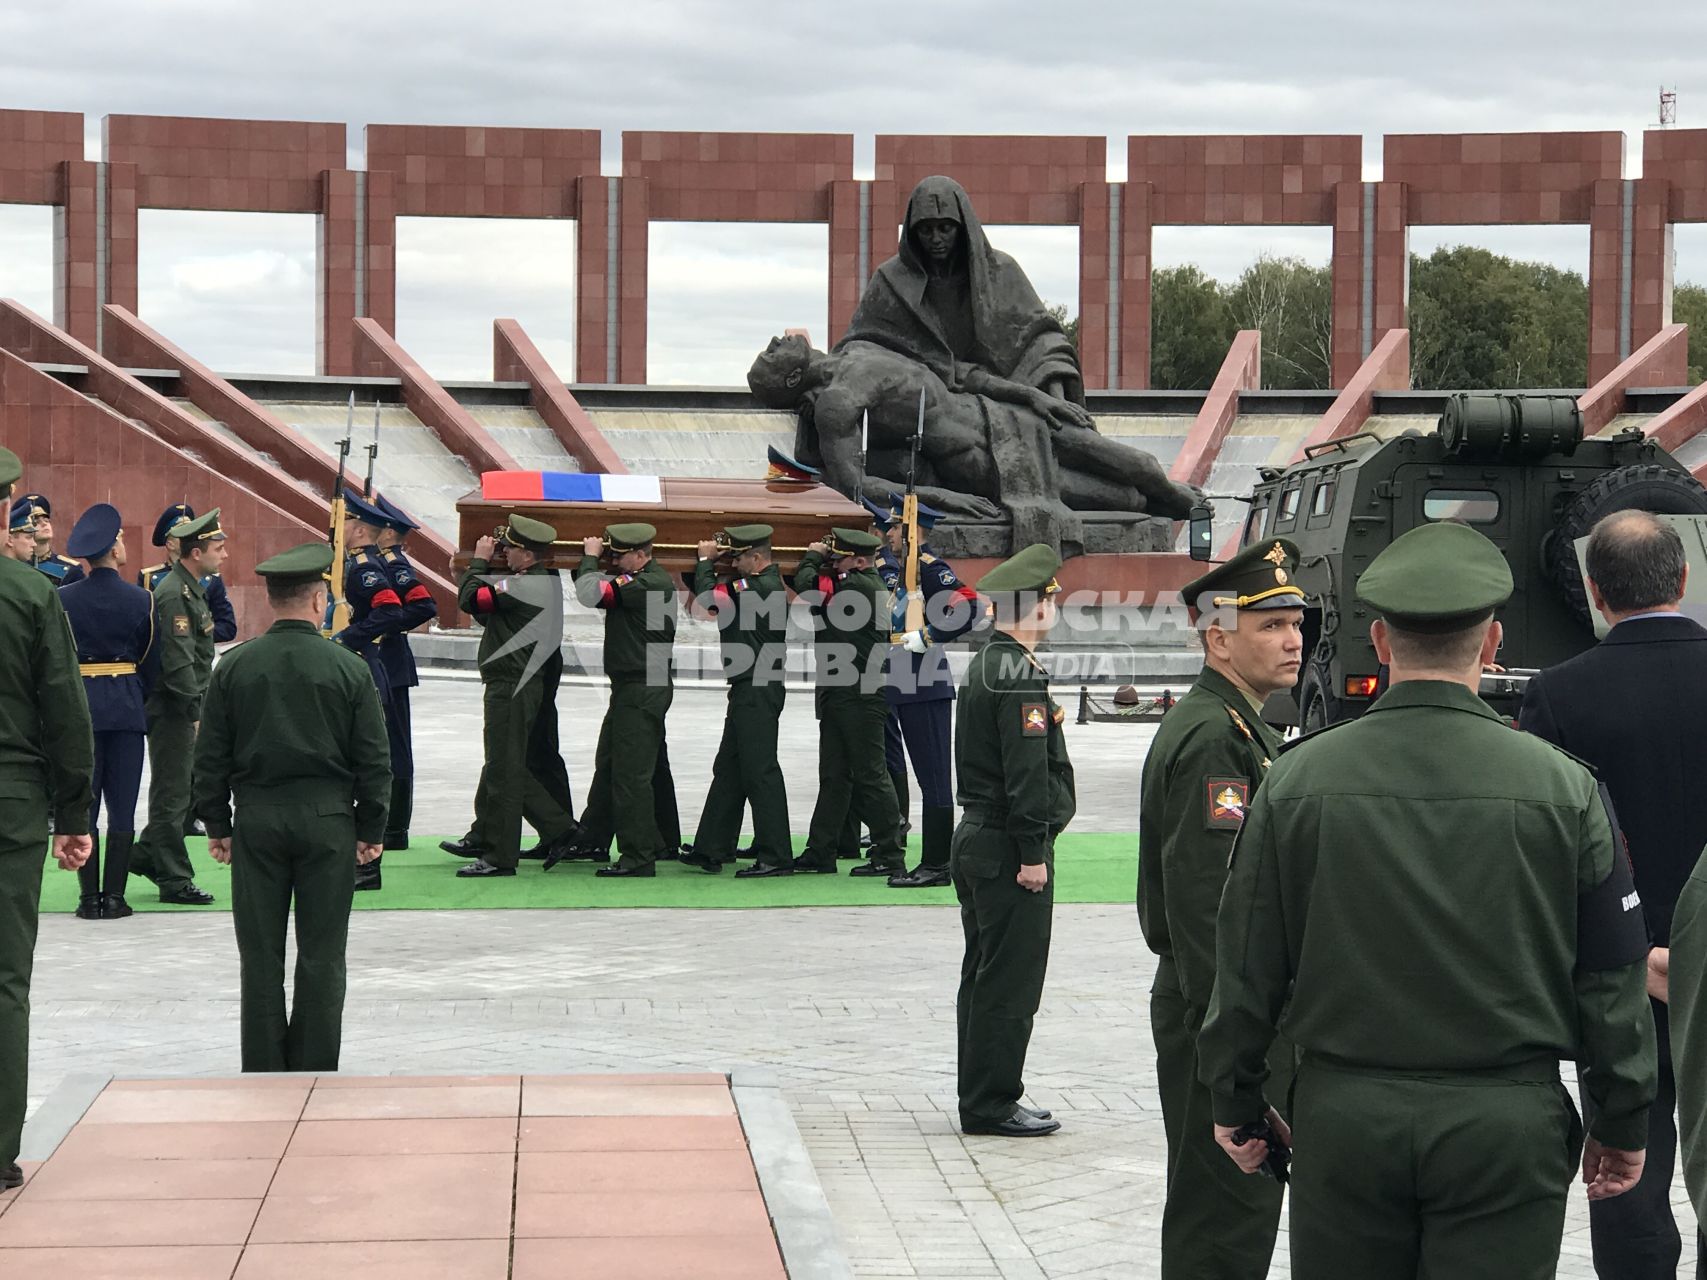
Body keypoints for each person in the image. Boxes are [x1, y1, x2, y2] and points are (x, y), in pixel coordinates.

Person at [1199, 521, 1658, 1279]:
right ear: (1491, 643)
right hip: (1503, 1125)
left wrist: (1235, 1096)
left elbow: (1246, 961)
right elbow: (1609, 982)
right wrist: (1620, 1117)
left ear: (1378, 641)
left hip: (1346, 1118)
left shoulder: (1293, 780)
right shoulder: (1565, 789)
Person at [1518, 509, 1707, 1279]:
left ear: (1594, 592)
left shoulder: (1558, 695)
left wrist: (1640, 955)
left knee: (1626, 1170)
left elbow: (1548, 852)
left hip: (1617, 972)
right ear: (1685, 579)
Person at [1137, 537, 1304, 1278]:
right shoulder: (1214, 736)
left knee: (1230, 1209)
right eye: (1268, 625)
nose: (1292, 639)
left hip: (1224, 1006)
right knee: (1224, 1214)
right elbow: (1208, 909)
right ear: (1217, 636)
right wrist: (1231, 1049)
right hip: (1219, 1008)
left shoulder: (1238, 725)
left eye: (1295, 622)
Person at [194, 541, 390, 1072]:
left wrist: (217, 822)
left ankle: (262, 1067)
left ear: (270, 598)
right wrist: (371, 827)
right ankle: (314, 1066)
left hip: (256, 819)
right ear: (319, 599)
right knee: (323, 954)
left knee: (259, 955)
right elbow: (374, 759)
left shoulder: (234, 667)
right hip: (329, 821)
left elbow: (209, 754)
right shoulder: (348, 669)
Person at [952, 542, 1074, 1137]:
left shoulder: (988, 662)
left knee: (983, 974)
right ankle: (991, 1101)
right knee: (1009, 982)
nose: (1056, 606)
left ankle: (982, 1093)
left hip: (979, 838)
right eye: (1051, 598)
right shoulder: (1018, 675)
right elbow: (1026, 775)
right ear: (1034, 606)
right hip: (1006, 846)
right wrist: (1033, 854)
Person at [0, 447, 95, 1192]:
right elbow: (65, 706)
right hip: (13, 803)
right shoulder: (29, 593)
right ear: (5, 508)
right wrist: (73, 812)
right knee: (5, 978)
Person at [442, 516, 577, 878]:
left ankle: (503, 855)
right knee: (503, 763)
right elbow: (496, 618)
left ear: (527, 555)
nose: (504, 551)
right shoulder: (534, 583)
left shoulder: (522, 584)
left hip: (511, 684)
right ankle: (541, 830)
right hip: (518, 681)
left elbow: (472, 601)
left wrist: (479, 562)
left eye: (510, 548)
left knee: (504, 768)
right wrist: (470, 575)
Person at [864, 494, 979, 890]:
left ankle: (937, 864)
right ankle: (931, 861)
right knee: (923, 778)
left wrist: (930, 635)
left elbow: (971, 605)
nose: (889, 533)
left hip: (926, 683)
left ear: (911, 530)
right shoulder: (904, 571)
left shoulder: (930, 567)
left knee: (933, 781)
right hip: (904, 681)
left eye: (895, 527)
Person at [788, 526, 907, 878]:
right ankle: (821, 849)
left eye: (838, 557)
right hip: (844, 691)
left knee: (871, 774)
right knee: (835, 776)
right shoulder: (854, 583)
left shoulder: (858, 586)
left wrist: (812, 555)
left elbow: (807, 585)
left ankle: (889, 852)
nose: (833, 563)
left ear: (857, 560)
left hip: (860, 694)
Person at [58, 503, 158, 921]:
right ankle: (114, 897)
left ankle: (87, 899)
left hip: (79, 705)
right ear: (113, 548)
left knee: (85, 803)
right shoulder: (141, 599)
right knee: (121, 804)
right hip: (126, 705)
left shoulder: (61, 597)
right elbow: (153, 661)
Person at [567, 523, 679, 878]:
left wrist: (588, 557)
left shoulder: (645, 583)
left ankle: (638, 856)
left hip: (641, 688)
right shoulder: (645, 579)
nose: (614, 561)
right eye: (611, 554)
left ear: (641, 555)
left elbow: (592, 594)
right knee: (616, 765)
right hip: (635, 687)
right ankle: (617, 839)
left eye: (620, 555)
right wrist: (588, 563)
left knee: (631, 776)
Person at [679, 524, 792, 875]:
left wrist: (704, 560)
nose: (735, 563)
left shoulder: (759, 587)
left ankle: (776, 856)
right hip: (747, 688)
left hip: (757, 689)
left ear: (757, 558)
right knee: (729, 769)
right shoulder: (754, 585)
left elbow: (708, 599)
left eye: (739, 557)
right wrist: (706, 562)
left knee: (760, 772)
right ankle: (712, 847)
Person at [130, 508, 226, 905]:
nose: (224, 555)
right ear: (196, 552)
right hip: (175, 708)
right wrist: (195, 712)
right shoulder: (174, 593)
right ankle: (173, 878)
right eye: (218, 548)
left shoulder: (192, 587)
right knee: (173, 794)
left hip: (188, 702)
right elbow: (178, 661)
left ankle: (144, 854)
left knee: (184, 789)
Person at [333, 491, 420, 890]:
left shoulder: (367, 568)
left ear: (362, 529)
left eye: (345, 521)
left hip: (373, 665)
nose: (339, 527)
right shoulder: (353, 564)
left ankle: (378, 847)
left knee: (377, 756)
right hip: (369, 664)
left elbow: (392, 612)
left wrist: (348, 638)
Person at [369, 493, 439, 851]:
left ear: (387, 532)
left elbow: (424, 606)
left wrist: (390, 626)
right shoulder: (370, 560)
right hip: (379, 660)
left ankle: (395, 829)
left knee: (395, 745)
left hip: (390, 661)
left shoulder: (393, 562)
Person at [140, 503, 237, 642]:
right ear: (170, 544)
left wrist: (189, 633)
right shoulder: (149, 578)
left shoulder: (211, 579)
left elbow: (228, 628)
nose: (190, 536)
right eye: (183, 534)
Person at [15, 492, 83, 585]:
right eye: (36, 522)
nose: (44, 524)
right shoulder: (14, 567)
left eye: (46, 520)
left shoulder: (71, 570)